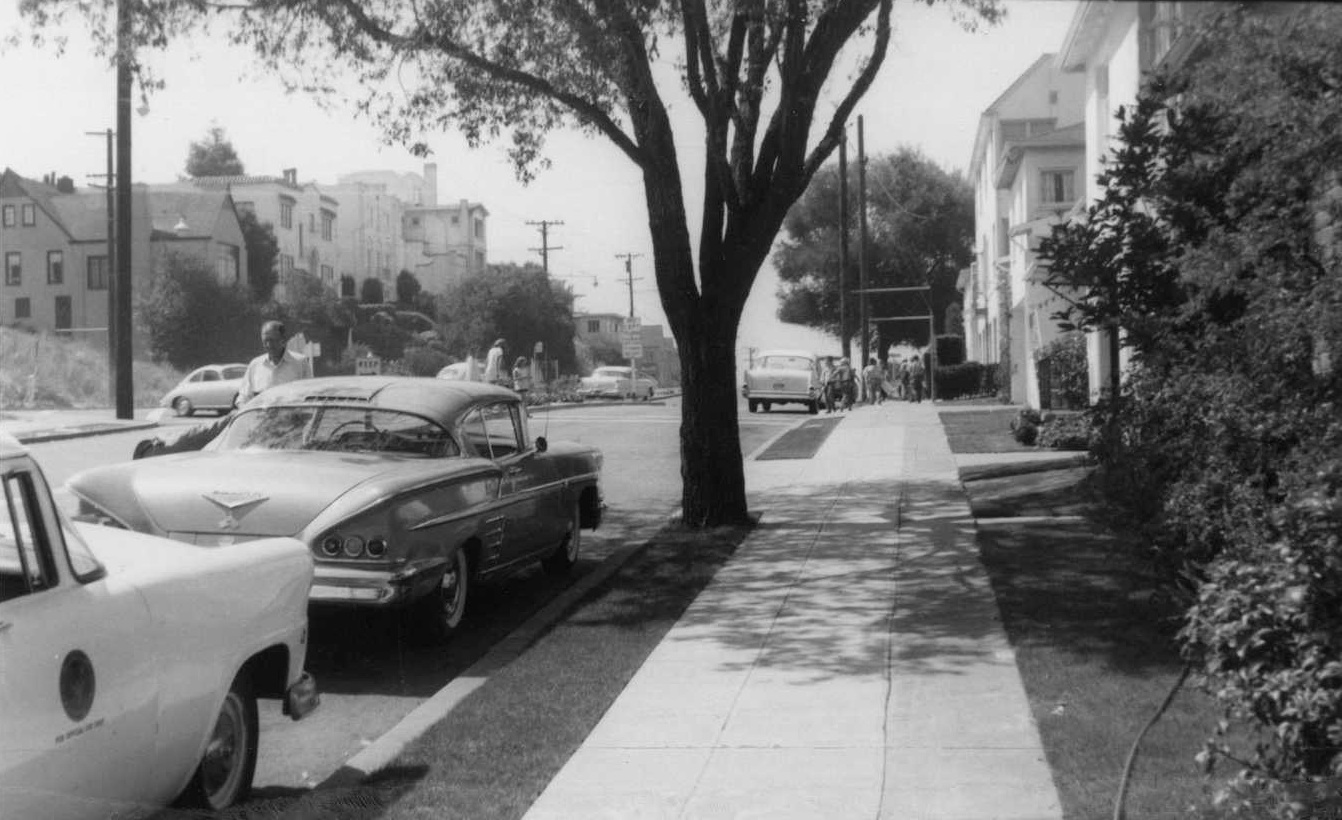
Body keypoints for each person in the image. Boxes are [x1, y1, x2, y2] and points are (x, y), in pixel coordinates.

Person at [135, 320, 313, 458]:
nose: (268, 345)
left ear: (283, 340)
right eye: (264, 341)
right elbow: (243, 397)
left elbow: (309, 397)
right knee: (208, 431)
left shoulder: (300, 363)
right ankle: (161, 448)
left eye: (272, 341)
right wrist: (245, 413)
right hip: (256, 421)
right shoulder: (256, 365)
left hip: (289, 424)